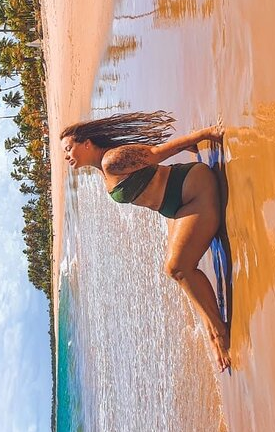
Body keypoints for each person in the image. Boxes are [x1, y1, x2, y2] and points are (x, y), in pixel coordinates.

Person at [60, 110, 231, 372]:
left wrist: (206, 134)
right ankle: (211, 324)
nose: (67, 156)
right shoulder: (102, 171)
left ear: (87, 143)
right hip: (179, 205)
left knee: (176, 268)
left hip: (195, 190)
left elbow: (155, 154)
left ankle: (217, 331)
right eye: (65, 152)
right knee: (176, 271)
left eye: (69, 148)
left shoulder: (110, 160)